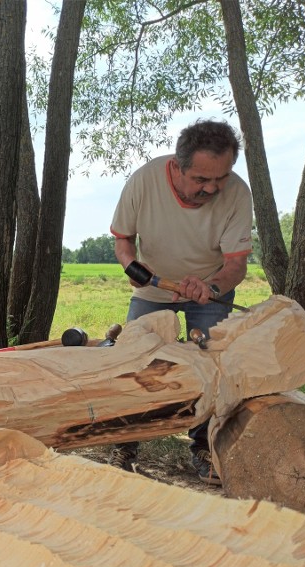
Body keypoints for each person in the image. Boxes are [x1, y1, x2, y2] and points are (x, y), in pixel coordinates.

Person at [107, 119, 253, 486]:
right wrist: (133, 267)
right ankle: (125, 444)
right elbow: (123, 239)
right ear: (177, 166)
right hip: (152, 290)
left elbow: (235, 265)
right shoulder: (144, 180)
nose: (212, 188)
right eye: (201, 179)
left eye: (220, 178)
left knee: (212, 366)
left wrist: (211, 288)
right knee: (135, 362)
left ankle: (204, 448)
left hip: (210, 291)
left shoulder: (236, 192)